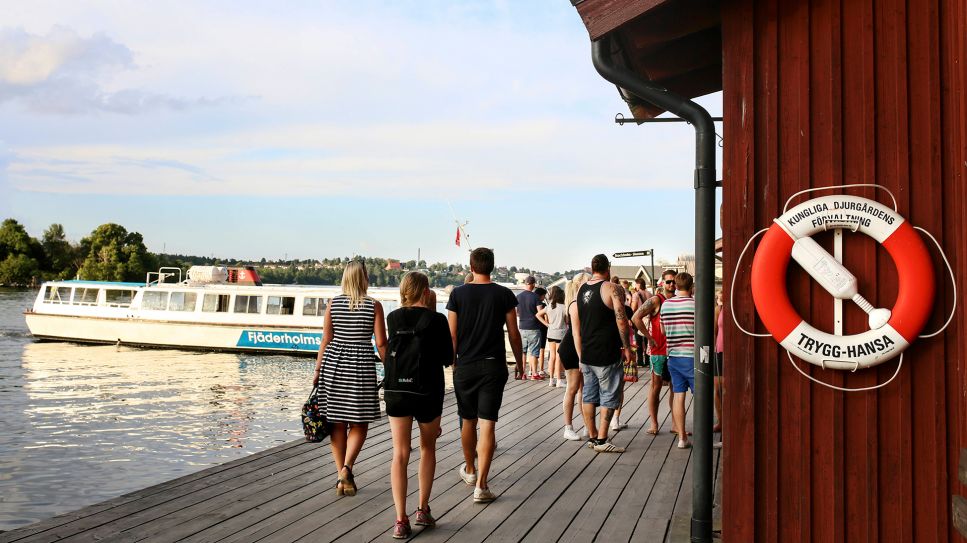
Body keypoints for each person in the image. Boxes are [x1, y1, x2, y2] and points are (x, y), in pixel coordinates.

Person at [447, 247, 524, 503]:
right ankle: (482, 485)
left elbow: (453, 335)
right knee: (488, 423)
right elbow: (514, 332)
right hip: (493, 365)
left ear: (471, 266)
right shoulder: (503, 294)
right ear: (492, 266)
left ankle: (470, 470)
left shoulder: (458, 294)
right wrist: (520, 361)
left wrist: (453, 361)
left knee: (467, 420)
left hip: (465, 365)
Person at [385, 272, 452, 538]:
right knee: (427, 448)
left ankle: (400, 520)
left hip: (397, 390)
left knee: (400, 453)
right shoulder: (437, 319)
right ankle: (422, 509)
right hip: (427, 391)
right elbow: (447, 357)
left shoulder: (393, 317)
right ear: (426, 291)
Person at [312, 260, 387, 497]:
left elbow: (326, 339)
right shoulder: (374, 306)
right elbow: (381, 343)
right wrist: (391, 368)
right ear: (363, 277)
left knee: (337, 421)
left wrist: (317, 370)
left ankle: (341, 476)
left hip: (333, 364)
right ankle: (347, 468)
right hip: (361, 366)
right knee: (359, 421)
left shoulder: (333, 304)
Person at [572, 254, 633, 453]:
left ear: (592, 268)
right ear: (608, 268)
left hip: (588, 353)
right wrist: (627, 347)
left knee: (588, 395)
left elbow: (578, 323)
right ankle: (602, 439)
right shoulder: (611, 288)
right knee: (609, 395)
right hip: (607, 351)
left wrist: (580, 353)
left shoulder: (581, 289)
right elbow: (621, 320)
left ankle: (592, 435)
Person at [631, 269, 678, 436]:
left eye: (674, 281)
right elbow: (636, 317)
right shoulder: (657, 300)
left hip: (676, 350)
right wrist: (649, 337)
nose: (672, 284)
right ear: (662, 283)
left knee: (676, 389)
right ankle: (654, 423)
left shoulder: (680, 300)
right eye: (668, 281)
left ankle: (675, 424)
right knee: (655, 387)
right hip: (658, 351)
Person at [660, 272, 696, 449]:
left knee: (678, 396)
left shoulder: (666, 305)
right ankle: (703, 438)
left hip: (673, 357)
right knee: (701, 398)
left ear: (675, 285)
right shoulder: (696, 304)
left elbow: (663, 331)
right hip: (692, 357)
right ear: (691, 286)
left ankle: (682, 438)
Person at [558, 273, 589, 440]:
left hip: (580, 348)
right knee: (572, 387)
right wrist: (581, 357)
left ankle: (586, 425)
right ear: (579, 286)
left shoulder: (583, 303)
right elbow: (576, 334)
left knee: (583, 389)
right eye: (587, 283)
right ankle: (568, 427)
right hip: (572, 349)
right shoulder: (575, 304)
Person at [536, 286, 567, 388]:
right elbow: (567, 321)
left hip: (551, 333)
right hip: (560, 333)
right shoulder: (563, 307)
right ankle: (559, 380)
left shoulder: (549, 306)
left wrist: (547, 324)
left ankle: (551, 380)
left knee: (552, 356)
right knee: (559, 357)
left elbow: (537, 315)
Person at [516, 275, 542, 380]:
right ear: (533, 284)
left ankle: (522, 373)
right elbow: (540, 312)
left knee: (523, 351)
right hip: (533, 327)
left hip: (522, 327)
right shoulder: (535, 297)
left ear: (525, 283)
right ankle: (534, 373)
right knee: (534, 352)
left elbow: (516, 312)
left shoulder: (518, 296)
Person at [712, 288, 725, 449]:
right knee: (717, 390)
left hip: (732, 352)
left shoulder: (736, 307)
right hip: (719, 351)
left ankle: (727, 426)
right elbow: (714, 331)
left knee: (727, 391)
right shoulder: (718, 309)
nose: (720, 296)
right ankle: (721, 422)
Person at [631, 277, 651, 367]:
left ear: (638, 285)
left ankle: (640, 361)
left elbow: (634, 308)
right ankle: (647, 360)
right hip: (648, 320)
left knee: (638, 341)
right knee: (647, 339)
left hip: (639, 320)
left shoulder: (636, 295)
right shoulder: (650, 294)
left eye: (635, 284)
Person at [534, 286, 548, 377]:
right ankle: (541, 370)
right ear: (541, 296)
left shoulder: (532, 303)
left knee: (533, 350)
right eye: (544, 296)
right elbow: (546, 318)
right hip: (542, 328)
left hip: (533, 327)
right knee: (542, 349)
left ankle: (532, 370)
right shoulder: (543, 306)